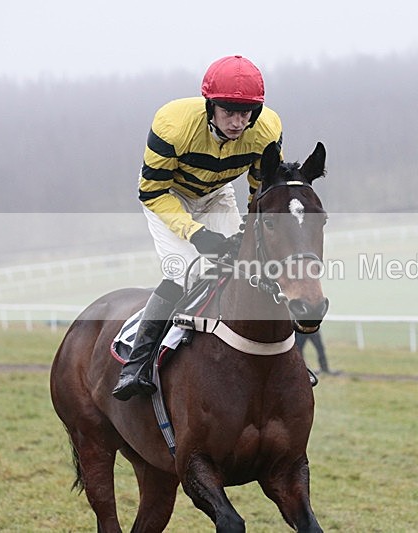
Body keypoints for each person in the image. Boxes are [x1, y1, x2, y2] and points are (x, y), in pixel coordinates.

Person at [113, 55, 283, 401]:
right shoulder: (172, 125)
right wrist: (195, 233)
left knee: (245, 267)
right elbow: (152, 192)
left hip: (217, 193)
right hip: (168, 197)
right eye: (228, 111)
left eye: (246, 113)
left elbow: (259, 192)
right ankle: (137, 362)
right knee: (186, 272)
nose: (238, 123)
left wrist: (249, 234)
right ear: (210, 106)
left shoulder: (268, 131)